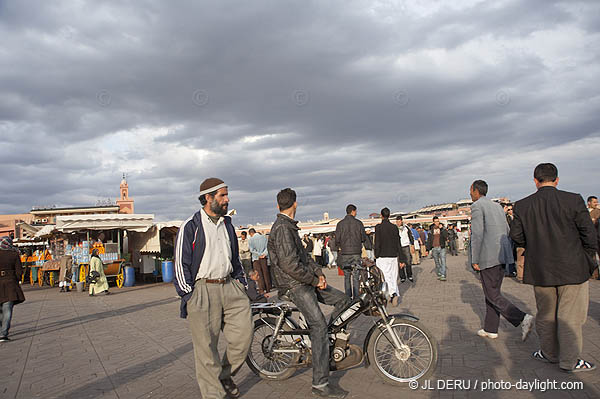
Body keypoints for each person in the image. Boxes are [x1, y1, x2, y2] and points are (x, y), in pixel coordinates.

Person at [510, 163, 597, 372]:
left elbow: (516, 236)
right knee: (570, 317)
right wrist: (587, 259)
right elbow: (589, 235)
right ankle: (570, 361)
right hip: (573, 268)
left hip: (541, 269)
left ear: (535, 181)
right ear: (557, 180)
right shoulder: (573, 199)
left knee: (546, 314)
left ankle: (549, 353)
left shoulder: (522, 205)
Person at [268, 188, 350, 398]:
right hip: (294, 285)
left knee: (344, 301)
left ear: (279, 205)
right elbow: (290, 265)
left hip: (305, 281)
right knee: (319, 326)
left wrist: (319, 274)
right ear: (295, 204)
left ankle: (325, 346)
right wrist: (314, 279)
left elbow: (305, 258)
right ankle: (320, 385)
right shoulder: (283, 229)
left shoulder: (288, 227)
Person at [173, 178, 252, 398]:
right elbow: (180, 262)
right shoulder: (191, 225)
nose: (227, 200)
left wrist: (241, 283)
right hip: (202, 290)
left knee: (243, 337)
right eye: (222, 196)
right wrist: (188, 295)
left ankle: (223, 375)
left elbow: (234, 257)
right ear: (208, 198)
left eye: (227, 195)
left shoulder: (227, 224)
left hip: (229, 287)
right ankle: (215, 394)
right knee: (206, 349)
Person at [469, 180, 534, 340]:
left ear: (476, 191)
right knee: (492, 293)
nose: (470, 193)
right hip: (501, 256)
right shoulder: (497, 206)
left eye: (471, 190)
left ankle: (521, 318)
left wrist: (474, 258)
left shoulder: (477, 206)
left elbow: (477, 234)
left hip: (488, 256)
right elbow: (507, 231)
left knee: (492, 294)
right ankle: (490, 328)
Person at [374, 208, 407, 306]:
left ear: (381, 215)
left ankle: (388, 295)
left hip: (382, 256)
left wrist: (376, 254)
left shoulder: (378, 227)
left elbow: (377, 243)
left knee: (384, 277)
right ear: (389, 215)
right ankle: (394, 293)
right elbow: (398, 243)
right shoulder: (394, 227)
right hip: (393, 256)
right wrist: (402, 259)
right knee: (393, 277)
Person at [335, 204, 367, 299]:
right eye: (356, 211)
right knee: (356, 276)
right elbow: (363, 238)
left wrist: (341, 246)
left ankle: (348, 297)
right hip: (356, 252)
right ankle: (357, 297)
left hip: (345, 253)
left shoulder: (340, 224)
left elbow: (337, 239)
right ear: (353, 211)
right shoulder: (359, 223)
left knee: (347, 276)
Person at [0, 236, 25, 342]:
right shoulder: (14, 254)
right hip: (10, 283)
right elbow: (19, 271)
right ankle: (3, 334)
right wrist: (16, 279)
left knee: (1, 310)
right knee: (7, 309)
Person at [239, 232, 262, 301]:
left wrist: (244, 250)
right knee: (244, 272)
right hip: (242, 257)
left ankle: (250, 280)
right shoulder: (239, 242)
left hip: (247, 257)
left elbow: (248, 248)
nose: (242, 237)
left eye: (243, 236)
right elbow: (239, 248)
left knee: (248, 270)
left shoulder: (248, 241)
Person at [248, 228, 271, 294]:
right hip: (264, 257)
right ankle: (268, 288)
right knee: (266, 273)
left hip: (256, 258)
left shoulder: (251, 240)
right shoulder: (264, 237)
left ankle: (261, 289)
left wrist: (259, 254)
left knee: (258, 274)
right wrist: (264, 254)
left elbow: (252, 250)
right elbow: (267, 247)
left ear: (251, 233)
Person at [426, 217, 448, 281]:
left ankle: (443, 274)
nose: (437, 223)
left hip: (441, 247)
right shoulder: (431, 230)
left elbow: (446, 236)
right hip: (434, 248)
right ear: (433, 222)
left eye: (438, 221)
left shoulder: (443, 228)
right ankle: (439, 272)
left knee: (443, 261)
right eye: (435, 221)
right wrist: (428, 249)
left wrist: (441, 229)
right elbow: (429, 240)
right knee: (437, 262)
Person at [395, 216, 414, 283]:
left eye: (399, 221)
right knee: (400, 262)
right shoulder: (395, 228)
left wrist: (412, 245)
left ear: (401, 221)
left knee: (408, 261)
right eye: (396, 221)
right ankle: (402, 276)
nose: (398, 223)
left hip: (406, 246)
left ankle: (409, 275)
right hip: (398, 247)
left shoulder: (406, 228)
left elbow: (410, 236)